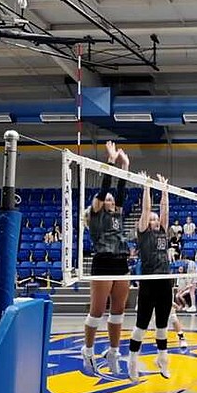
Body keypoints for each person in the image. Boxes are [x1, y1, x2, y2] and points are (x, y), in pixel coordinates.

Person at [82, 141, 131, 376]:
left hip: (121, 263)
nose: (111, 201)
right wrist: (110, 162)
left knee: (119, 310)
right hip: (103, 261)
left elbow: (120, 190)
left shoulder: (117, 214)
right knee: (97, 311)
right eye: (107, 200)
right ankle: (88, 351)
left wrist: (126, 165)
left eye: (112, 200)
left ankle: (113, 351)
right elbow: (104, 189)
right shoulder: (96, 215)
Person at [128, 172, 173, 382]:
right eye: (152, 219)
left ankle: (162, 359)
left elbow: (165, 211)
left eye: (156, 219)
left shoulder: (163, 231)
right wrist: (147, 187)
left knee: (163, 325)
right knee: (142, 325)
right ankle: (133, 361)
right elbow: (147, 210)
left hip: (165, 281)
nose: (155, 220)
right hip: (149, 282)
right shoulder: (143, 232)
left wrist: (164, 190)